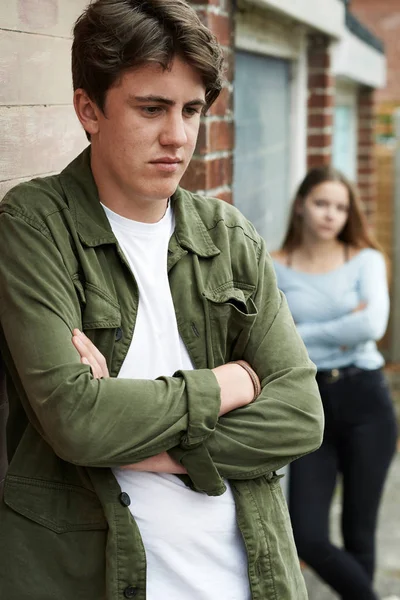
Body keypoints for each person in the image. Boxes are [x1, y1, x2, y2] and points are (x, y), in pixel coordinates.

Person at [0, 1, 324, 598]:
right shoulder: (34, 226)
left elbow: (302, 416)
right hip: (101, 576)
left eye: (191, 110)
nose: (177, 137)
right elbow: (77, 422)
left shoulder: (228, 236)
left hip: (251, 578)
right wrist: (227, 385)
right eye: (152, 109)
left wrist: (156, 450)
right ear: (88, 110)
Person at [272, 166, 398, 600]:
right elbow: (273, 339)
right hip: (309, 403)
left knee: (360, 533)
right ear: (301, 205)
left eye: (341, 208)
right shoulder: (275, 267)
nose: (331, 215)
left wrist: (303, 332)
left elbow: (372, 323)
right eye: (322, 203)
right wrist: (343, 326)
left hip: (367, 400)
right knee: (306, 534)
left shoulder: (366, 259)